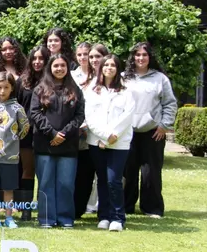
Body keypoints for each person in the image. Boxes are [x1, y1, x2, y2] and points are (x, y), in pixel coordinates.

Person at [123, 42, 177, 218]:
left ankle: (152, 208)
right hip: (128, 132)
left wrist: (164, 125)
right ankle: (126, 206)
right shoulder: (124, 77)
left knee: (151, 172)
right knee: (127, 171)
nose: (140, 58)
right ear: (133, 57)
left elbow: (170, 103)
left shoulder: (160, 78)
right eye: (137, 55)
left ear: (150, 57)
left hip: (153, 132)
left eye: (144, 55)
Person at [30, 54, 85, 228]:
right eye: (56, 66)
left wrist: (63, 134)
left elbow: (79, 115)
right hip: (45, 144)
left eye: (62, 65)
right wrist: (52, 133)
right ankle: (46, 218)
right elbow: (35, 113)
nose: (59, 69)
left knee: (66, 184)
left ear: (67, 68)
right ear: (50, 68)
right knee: (45, 183)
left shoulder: (76, 90)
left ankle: (65, 218)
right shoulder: (40, 89)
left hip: (68, 145)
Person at [85, 54, 134, 232]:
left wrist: (113, 135)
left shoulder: (126, 90)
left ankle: (118, 217)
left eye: (113, 65)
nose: (109, 68)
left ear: (117, 68)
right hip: (97, 141)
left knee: (114, 180)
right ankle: (103, 216)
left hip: (118, 143)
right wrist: (105, 136)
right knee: (102, 180)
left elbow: (127, 115)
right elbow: (90, 117)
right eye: (106, 65)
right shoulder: (93, 89)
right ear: (101, 68)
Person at [0, 72, 30, 228]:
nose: (2, 91)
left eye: (6, 87)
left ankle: (9, 217)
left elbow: (25, 128)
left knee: (9, 188)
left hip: (10, 156)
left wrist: (13, 140)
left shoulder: (17, 108)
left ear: (12, 88)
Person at [72, 42, 110, 218]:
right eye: (80, 55)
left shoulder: (107, 77)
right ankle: (78, 208)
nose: (86, 58)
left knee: (102, 175)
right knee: (82, 174)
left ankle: (103, 210)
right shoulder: (77, 77)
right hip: (80, 132)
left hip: (101, 133)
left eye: (93, 56)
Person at [16, 45, 50, 221]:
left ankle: (44, 208)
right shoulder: (23, 81)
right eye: (34, 58)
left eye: (41, 59)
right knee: (27, 171)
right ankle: (26, 209)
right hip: (26, 134)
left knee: (44, 173)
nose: (37, 62)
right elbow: (16, 106)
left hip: (47, 133)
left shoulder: (53, 81)